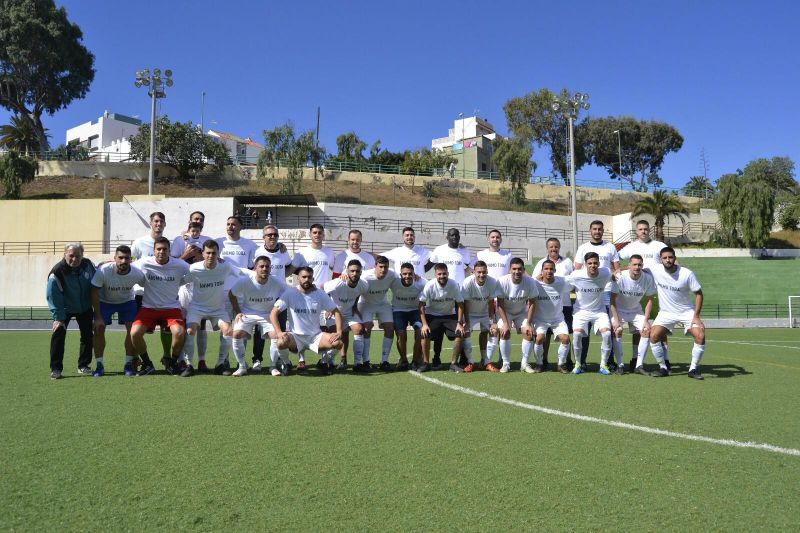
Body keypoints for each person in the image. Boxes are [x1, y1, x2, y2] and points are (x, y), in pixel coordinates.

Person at [130, 237, 190, 376]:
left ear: (169, 251)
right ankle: (147, 364)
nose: (161, 252)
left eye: (164, 249)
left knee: (179, 332)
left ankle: (172, 363)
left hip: (171, 308)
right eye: (158, 249)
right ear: (153, 250)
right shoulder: (144, 263)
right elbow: (128, 265)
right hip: (148, 308)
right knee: (135, 333)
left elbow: (195, 270)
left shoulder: (180, 265)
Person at [617, 219, 671, 369]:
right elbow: (615, 259)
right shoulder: (631, 247)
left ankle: (665, 359)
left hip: (658, 291)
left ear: (650, 230)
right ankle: (636, 359)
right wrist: (617, 270)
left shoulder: (659, 246)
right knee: (638, 328)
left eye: (646, 229)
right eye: (640, 229)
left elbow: (672, 260)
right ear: (636, 231)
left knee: (660, 327)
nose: (643, 231)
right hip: (638, 291)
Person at [648, 247, 706, 379]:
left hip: (686, 312)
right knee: (653, 335)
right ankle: (663, 367)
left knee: (700, 336)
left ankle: (693, 369)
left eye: (670, 257)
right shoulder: (655, 269)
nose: (668, 260)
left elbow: (699, 294)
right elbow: (635, 268)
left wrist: (696, 316)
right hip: (666, 313)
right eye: (665, 258)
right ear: (660, 259)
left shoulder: (687, 274)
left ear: (675, 258)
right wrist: (617, 270)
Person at [180, 240, 237, 377]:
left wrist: (256, 274)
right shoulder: (194, 269)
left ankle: (220, 364)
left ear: (218, 254)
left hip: (217, 309)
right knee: (190, 330)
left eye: (214, 253)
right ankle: (189, 365)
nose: (211, 256)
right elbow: (181, 281)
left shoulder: (225, 267)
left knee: (228, 331)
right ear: (203, 254)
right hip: (197, 307)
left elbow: (242, 272)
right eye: (208, 253)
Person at [270, 266, 344, 368]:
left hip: (315, 337)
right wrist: (278, 332)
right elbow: (273, 313)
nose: (306, 279)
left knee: (338, 343)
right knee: (281, 342)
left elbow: (336, 312)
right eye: (303, 277)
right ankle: (286, 363)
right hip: (296, 337)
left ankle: (324, 361)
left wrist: (339, 332)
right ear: (298, 278)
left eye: (309, 277)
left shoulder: (320, 293)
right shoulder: (290, 293)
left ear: (313, 279)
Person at [90, 245, 145, 377]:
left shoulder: (137, 273)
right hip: (105, 302)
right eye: (120, 258)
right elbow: (93, 292)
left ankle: (128, 364)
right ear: (114, 258)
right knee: (98, 328)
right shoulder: (103, 270)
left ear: (130, 259)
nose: (123, 261)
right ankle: (99, 365)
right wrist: (97, 317)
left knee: (132, 331)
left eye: (126, 258)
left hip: (127, 302)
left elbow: (149, 286)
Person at [229, 256, 288, 377]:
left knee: (276, 336)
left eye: (267, 266)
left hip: (267, 315)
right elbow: (231, 294)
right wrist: (238, 311)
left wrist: (277, 308)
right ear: (255, 268)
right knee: (236, 334)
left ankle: (272, 366)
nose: (264, 269)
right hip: (248, 313)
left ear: (270, 268)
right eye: (261, 266)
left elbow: (288, 293)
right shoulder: (245, 281)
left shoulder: (276, 281)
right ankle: (242, 366)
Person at [254, 225, 304, 367]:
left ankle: (278, 360)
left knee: (280, 329)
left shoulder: (283, 252)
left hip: (280, 297)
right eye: (269, 235)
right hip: (262, 296)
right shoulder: (258, 252)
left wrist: (283, 281)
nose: (272, 237)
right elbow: (253, 271)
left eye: (275, 235)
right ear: (263, 237)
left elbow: (288, 268)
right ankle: (257, 359)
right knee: (260, 329)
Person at [573, 220, 621, 369]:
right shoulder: (583, 248)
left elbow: (616, 269)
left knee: (609, 327)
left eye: (600, 229)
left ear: (603, 231)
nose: (597, 231)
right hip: (588, 293)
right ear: (590, 230)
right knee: (584, 327)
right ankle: (582, 361)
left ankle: (609, 361)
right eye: (594, 229)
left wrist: (615, 277)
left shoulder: (610, 247)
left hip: (606, 291)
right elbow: (577, 270)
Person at [214, 215, 259, 372]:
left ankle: (241, 361)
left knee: (242, 328)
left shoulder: (249, 245)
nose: (230, 226)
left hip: (243, 293)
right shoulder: (219, 243)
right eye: (228, 224)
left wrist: (280, 246)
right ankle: (224, 360)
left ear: (241, 227)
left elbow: (255, 266)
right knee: (226, 329)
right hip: (223, 292)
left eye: (234, 224)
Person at [46, 243, 96, 379]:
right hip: (64, 308)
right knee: (58, 335)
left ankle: (83, 365)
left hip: (85, 307)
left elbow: (97, 275)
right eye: (71, 256)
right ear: (64, 255)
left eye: (78, 256)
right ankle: (56, 369)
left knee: (87, 336)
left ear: (82, 256)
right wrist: (59, 317)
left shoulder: (87, 264)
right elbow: (52, 295)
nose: (74, 259)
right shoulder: (57, 272)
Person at [566, 252, 614, 375]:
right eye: (590, 263)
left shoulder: (605, 272)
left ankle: (603, 364)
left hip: (599, 311)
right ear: (585, 264)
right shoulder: (576, 275)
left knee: (607, 334)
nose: (593, 265)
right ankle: (578, 364)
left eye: (595, 263)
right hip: (580, 311)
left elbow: (616, 274)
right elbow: (562, 282)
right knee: (576, 335)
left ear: (599, 263)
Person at [609, 254, 656, 376]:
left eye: (639, 265)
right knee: (617, 330)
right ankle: (620, 366)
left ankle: (639, 365)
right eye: (634, 264)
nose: (637, 267)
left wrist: (646, 320)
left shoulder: (648, 278)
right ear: (629, 266)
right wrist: (616, 319)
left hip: (636, 311)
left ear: (643, 266)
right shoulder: (620, 277)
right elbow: (612, 300)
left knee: (646, 330)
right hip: (619, 310)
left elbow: (650, 300)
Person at [532, 237, 575, 368]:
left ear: (559, 247)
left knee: (566, 335)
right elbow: (534, 282)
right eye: (551, 247)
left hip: (564, 304)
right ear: (547, 248)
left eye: (556, 246)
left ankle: (565, 361)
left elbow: (573, 280)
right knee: (545, 336)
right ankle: (542, 360)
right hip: (544, 309)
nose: (553, 249)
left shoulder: (567, 262)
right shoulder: (541, 263)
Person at [418, 263, 465, 373]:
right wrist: (424, 324)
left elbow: (460, 304)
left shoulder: (453, 284)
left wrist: (459, 322)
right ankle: (425, 363)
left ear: (448, 273)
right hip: (433, 315)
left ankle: (454, 363)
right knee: (424, 333)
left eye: (444, 274)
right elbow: (421, 305)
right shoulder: (430, 285)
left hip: (449, 315)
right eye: (439, 274)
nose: (442, 276)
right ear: (435, 275)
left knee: (460, 333)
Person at [324, 259, 369, 372]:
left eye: (357, 271)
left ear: (361, 272)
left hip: (349, 313)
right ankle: (329, 362)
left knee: (359, 329)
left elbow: (357, 294)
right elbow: (322, 288)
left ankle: (357, 363)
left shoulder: (364, 285)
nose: (354, 273)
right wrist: (328, 307)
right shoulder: (338, 282)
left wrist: (354, 306)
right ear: (347, 271)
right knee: (335, 336)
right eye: (352, 271)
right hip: (334, 313)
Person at [475, 229, 512, 365]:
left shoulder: (507, 254)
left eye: (497, 237)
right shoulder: (480, 254)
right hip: (486, 297)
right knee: (486, 329)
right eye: (492, 237)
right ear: (488, 239)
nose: (495, 239)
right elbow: (473, 271)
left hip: (502, 298)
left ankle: (502, 358)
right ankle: (484, 358)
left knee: (503, 327)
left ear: (500, 239)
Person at [496, 257, 538, 373]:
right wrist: (505, 323)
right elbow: (500, 304)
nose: (517, 271)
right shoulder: (502, 281)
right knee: (505, 332)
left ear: (523, 270)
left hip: (521, 312)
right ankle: (506, 363)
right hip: (506, 312)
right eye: (514, 269)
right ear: (509, 270)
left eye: (519, 269)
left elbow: (532, 303)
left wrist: (528, 323)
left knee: (528, 332)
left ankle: (524, 364)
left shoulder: (530, 281)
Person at [356, 256, 398, 371]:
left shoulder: (392, 274)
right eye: (380, 267)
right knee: (367, 327)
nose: (383, 270)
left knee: (390, 328)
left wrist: (415, 276)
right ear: (375, 266)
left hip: (383, 303)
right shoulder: (365, 276)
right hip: (366, 304)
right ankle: (366, 361)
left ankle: (384, 361)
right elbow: (353, 280)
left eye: (385, 267)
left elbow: (404, 276)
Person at [460, 260, 502, 372]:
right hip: (471, 313)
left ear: (487, 271)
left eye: (484, 272)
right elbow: (466, 303)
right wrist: (467, 322)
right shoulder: (467, 282)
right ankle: (470, 362)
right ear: (474, 272)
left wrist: (492, 321)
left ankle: (486, 361)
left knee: (492, 331)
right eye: (479, 272)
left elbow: (491, 302)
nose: (481, 275)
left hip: (484, 313)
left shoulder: (492, 282)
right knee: (466, 332)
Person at [390, 262, 426, 371]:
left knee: (420, 332)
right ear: (400, 275)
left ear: (414, 274)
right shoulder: (394, 281)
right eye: (404, 274)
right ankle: (403, 360)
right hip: (398, 310)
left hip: (415, 311)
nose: (407, 276)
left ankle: (416, 360)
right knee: (400, 334)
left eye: (410, 274)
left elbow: (434, 286)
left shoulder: (421, 282)